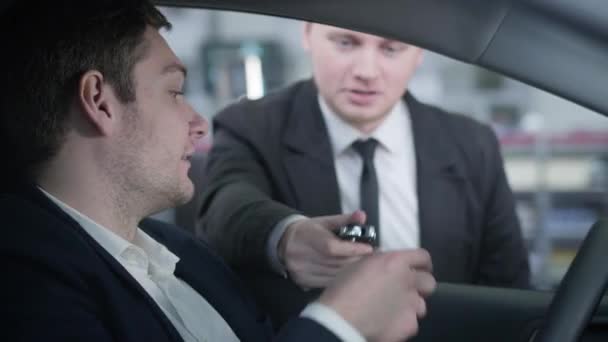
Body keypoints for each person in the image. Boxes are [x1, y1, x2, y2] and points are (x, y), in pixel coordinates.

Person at [0, 1, 436, 341]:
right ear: (99, 101)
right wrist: (340, 325)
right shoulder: (23, 284)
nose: (198, 124)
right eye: (175, 92)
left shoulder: (184, 254)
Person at [198, 22, 530, 327]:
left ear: (420, 50)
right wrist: (285, 236)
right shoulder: (251, 126)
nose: (367, 72)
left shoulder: (473, 145)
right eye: (345, 42)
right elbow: (225, 205)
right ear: (307, 33)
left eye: (390, 49)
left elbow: (508, 289)